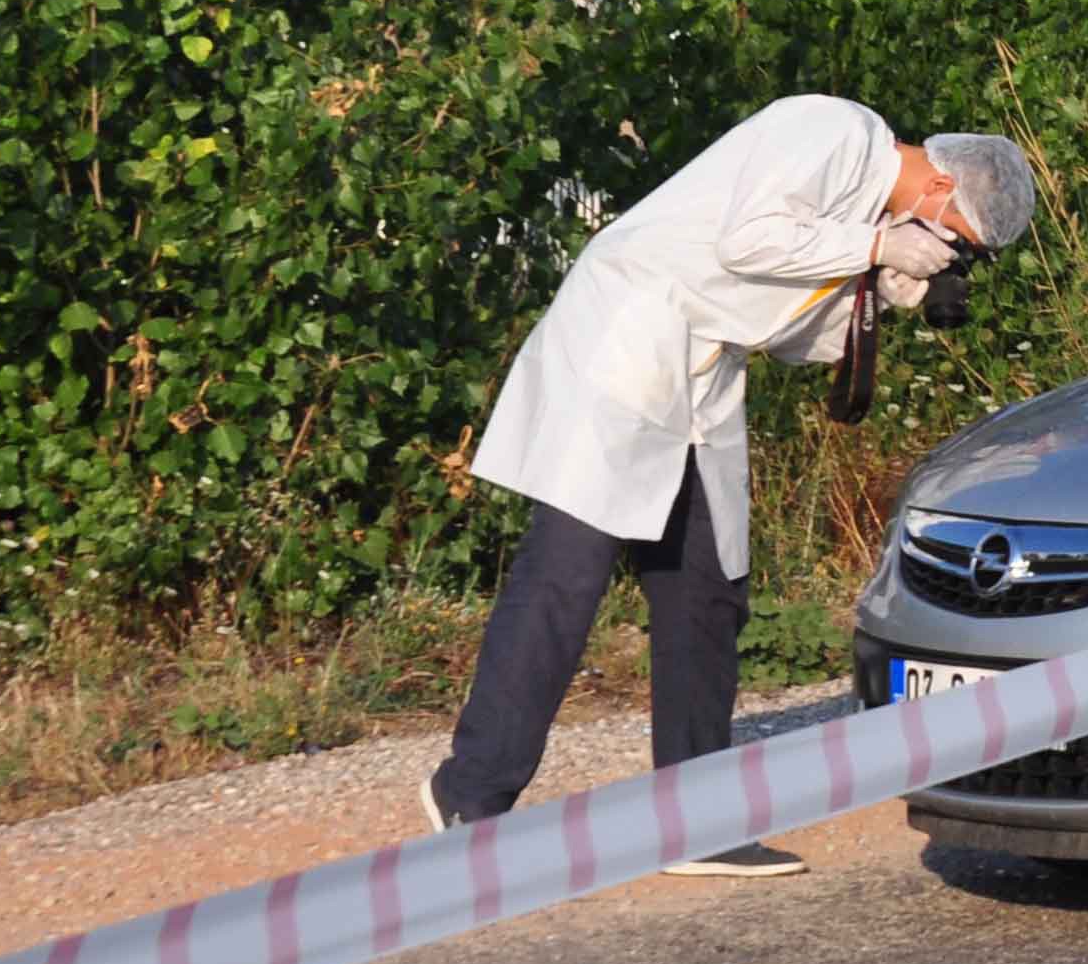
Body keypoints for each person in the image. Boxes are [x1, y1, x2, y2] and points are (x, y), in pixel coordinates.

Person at [421, 95, 1036, 875]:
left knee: (708, 593)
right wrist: (879, 242)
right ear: (942, 193)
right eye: (956, 241)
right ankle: (470, 797)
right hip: (626, 346)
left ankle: (694, 824)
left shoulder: (867, 210)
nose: (945, 249)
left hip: (702, 380)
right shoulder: (834, 129)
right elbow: (748, 240)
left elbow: (779, 329)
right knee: (563, 583)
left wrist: (874, 288)